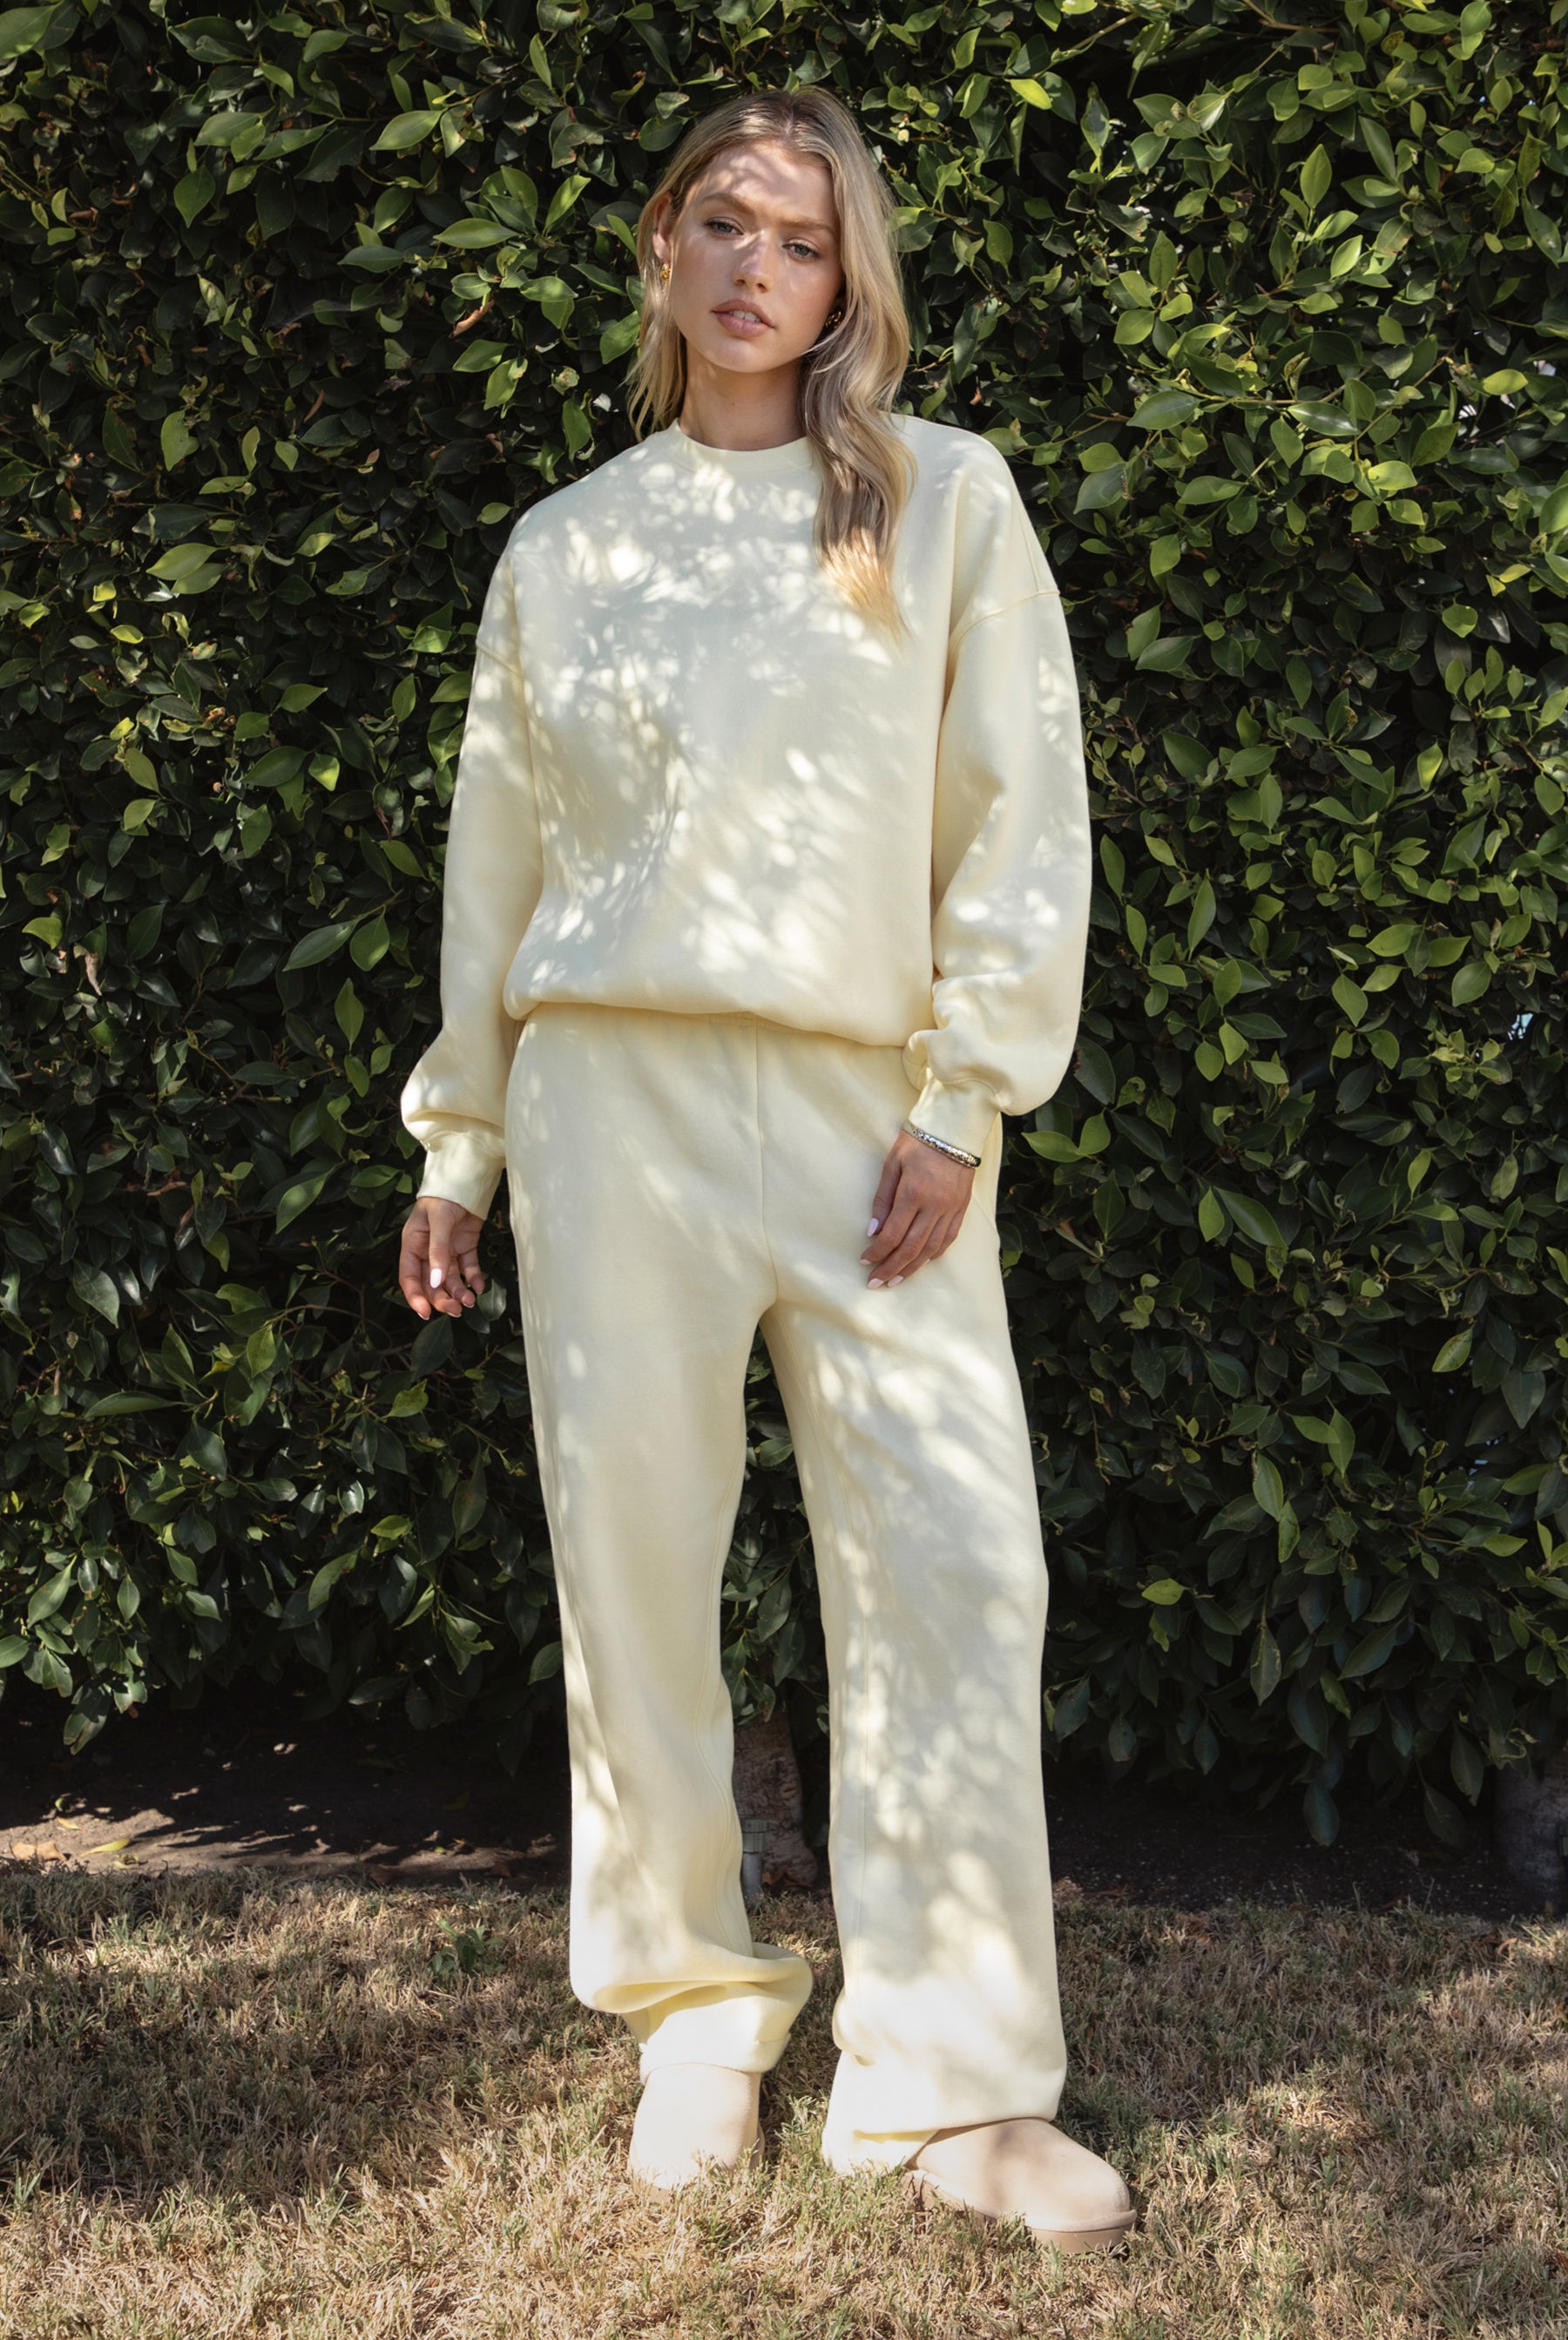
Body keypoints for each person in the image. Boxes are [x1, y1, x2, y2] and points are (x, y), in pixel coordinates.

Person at [395, 85, 1132, 2251]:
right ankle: (698, 2003)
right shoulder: (567, 542)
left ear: (847, 282)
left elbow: (1018, 808)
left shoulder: (943, 504)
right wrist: (459, 1136)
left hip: (864, 1118)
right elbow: (494, 861)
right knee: (630, 1566)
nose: (753, 267)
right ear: (658, 251)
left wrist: (962, 1097)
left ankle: (958, 2081)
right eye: (719, 223)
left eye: (799, 240)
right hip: (607, 1096)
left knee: (955, 1566)